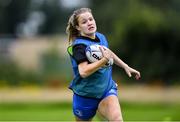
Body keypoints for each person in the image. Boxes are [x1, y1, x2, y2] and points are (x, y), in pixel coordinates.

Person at [66, 8, 141, 122]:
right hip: (85, 95)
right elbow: (83, 72)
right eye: (84, 22)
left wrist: (126, 66)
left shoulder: (101, 37)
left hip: (106, 90)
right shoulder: (79, 47)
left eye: (91, 19)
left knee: (117, 120)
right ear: (77, 27)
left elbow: (108, 54)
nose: (89, 23)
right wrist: (103, 60)